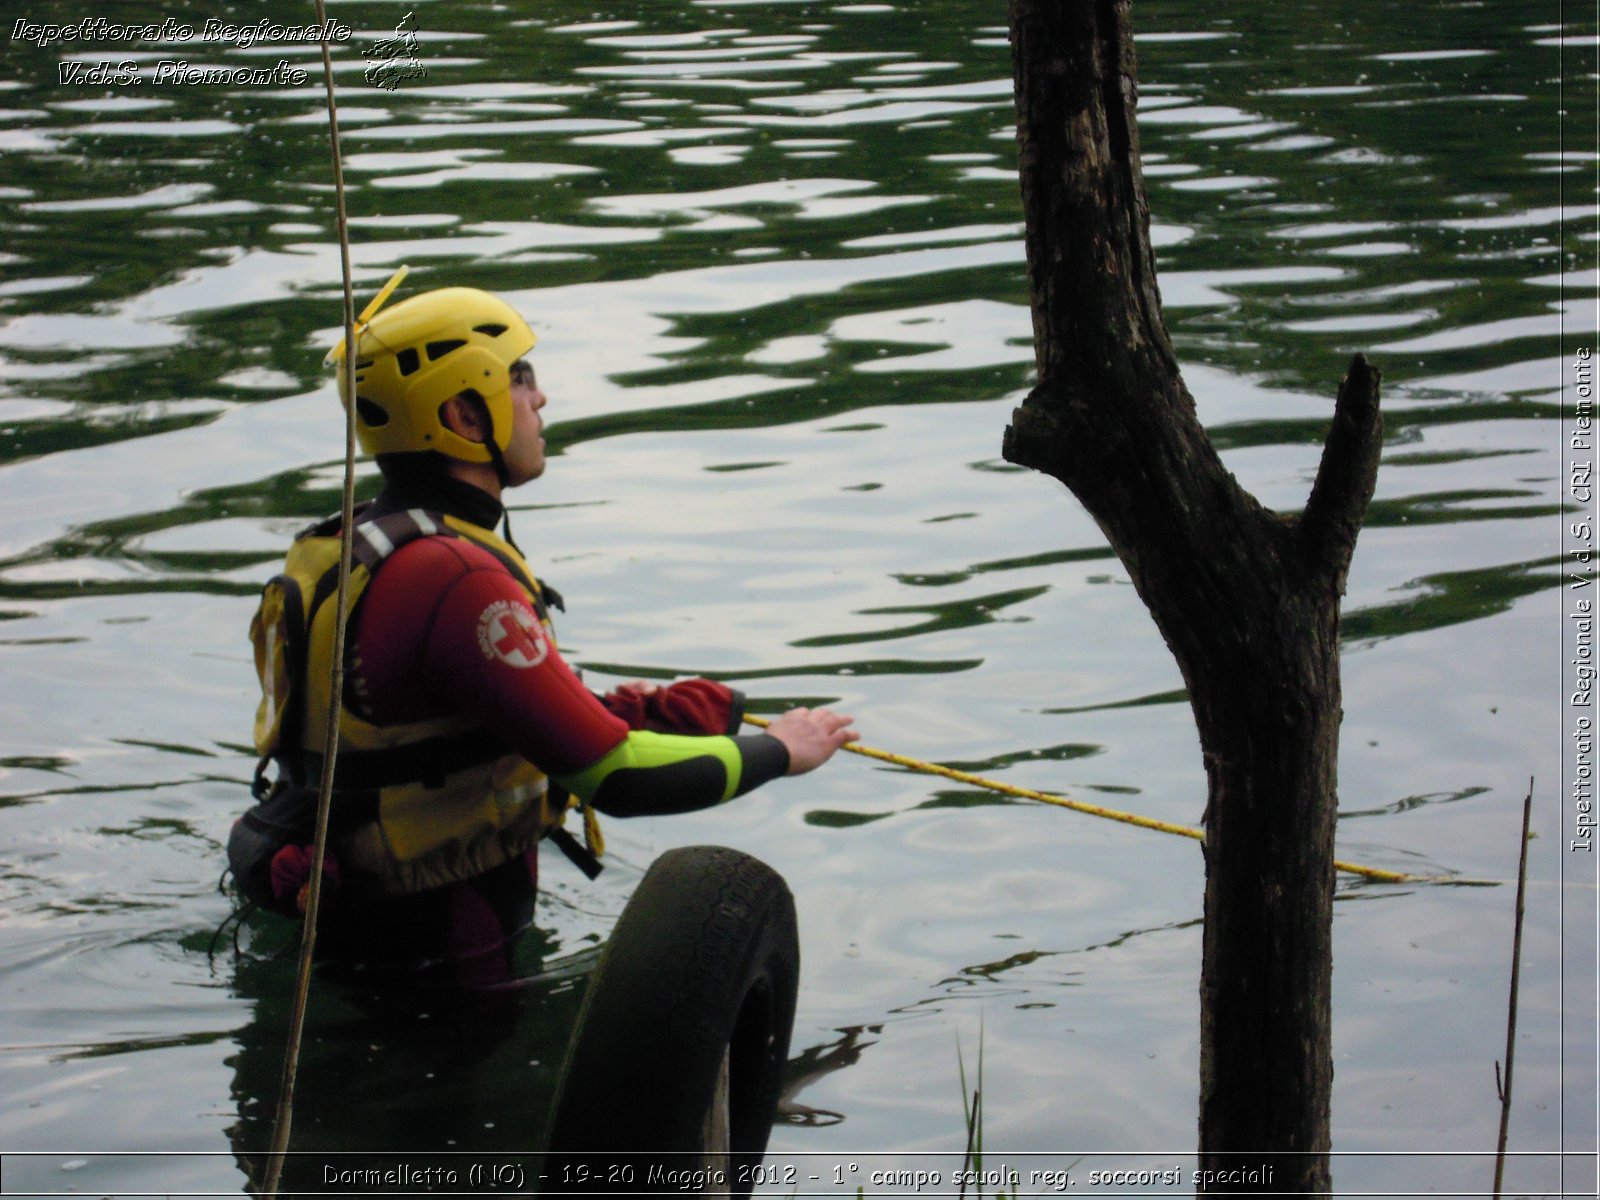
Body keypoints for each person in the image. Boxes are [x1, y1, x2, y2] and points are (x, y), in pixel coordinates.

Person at [228, 285, 856, 982]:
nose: (540, 400)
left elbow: (457, 727)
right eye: (519, 379)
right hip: (445, 974)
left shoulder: (356, 545)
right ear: (463, 414)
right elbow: (616, 778)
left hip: (359, 937)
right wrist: (779, 751)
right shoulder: (455, 578)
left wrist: (654, 713)